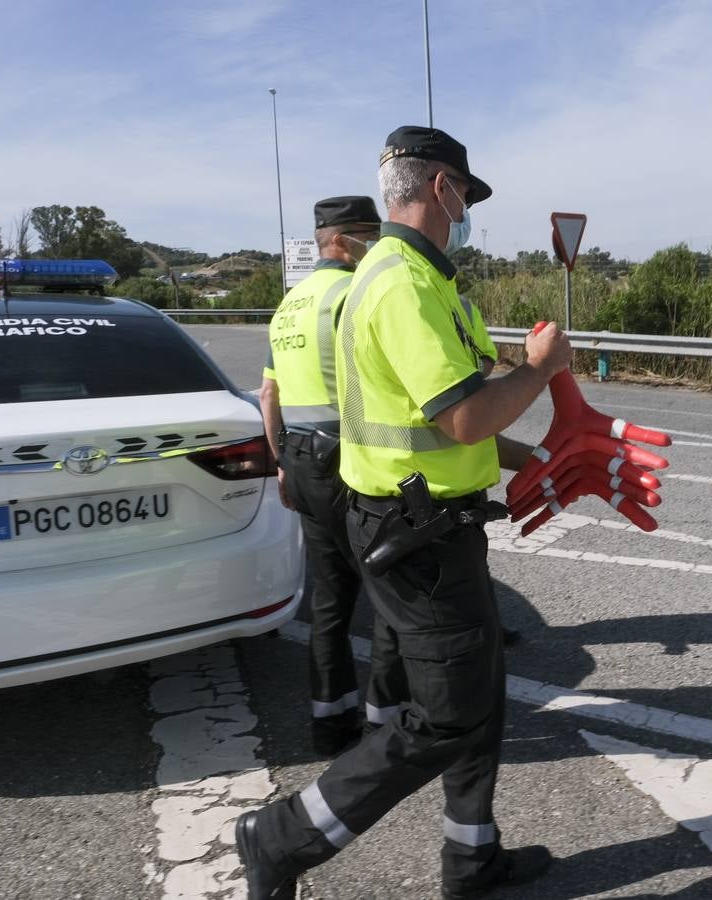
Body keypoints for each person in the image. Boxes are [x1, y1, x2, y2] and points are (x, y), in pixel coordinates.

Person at [236, 125, 573, 899]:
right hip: (412, 536)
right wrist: (542, 368)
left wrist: (541, 455)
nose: (464, 215)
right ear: (441, 188)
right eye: (464, 198)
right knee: (444, 717)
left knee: (480, 690)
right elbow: (463, 416)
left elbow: (451, 412)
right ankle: (279, 838)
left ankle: (471, 856)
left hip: (433, 527)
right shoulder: (401, 285)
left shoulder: (415, 279)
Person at [259, 195, 398, 757]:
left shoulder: (289, 304)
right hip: (350, 462)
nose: (376, 246)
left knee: (332, 602)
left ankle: (328, 722)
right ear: (341, 241)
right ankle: (387, 724)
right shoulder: (352, 295)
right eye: (370, 234)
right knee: (389, 593)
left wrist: (280, 464)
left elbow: (269, 393)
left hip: (299, 459)